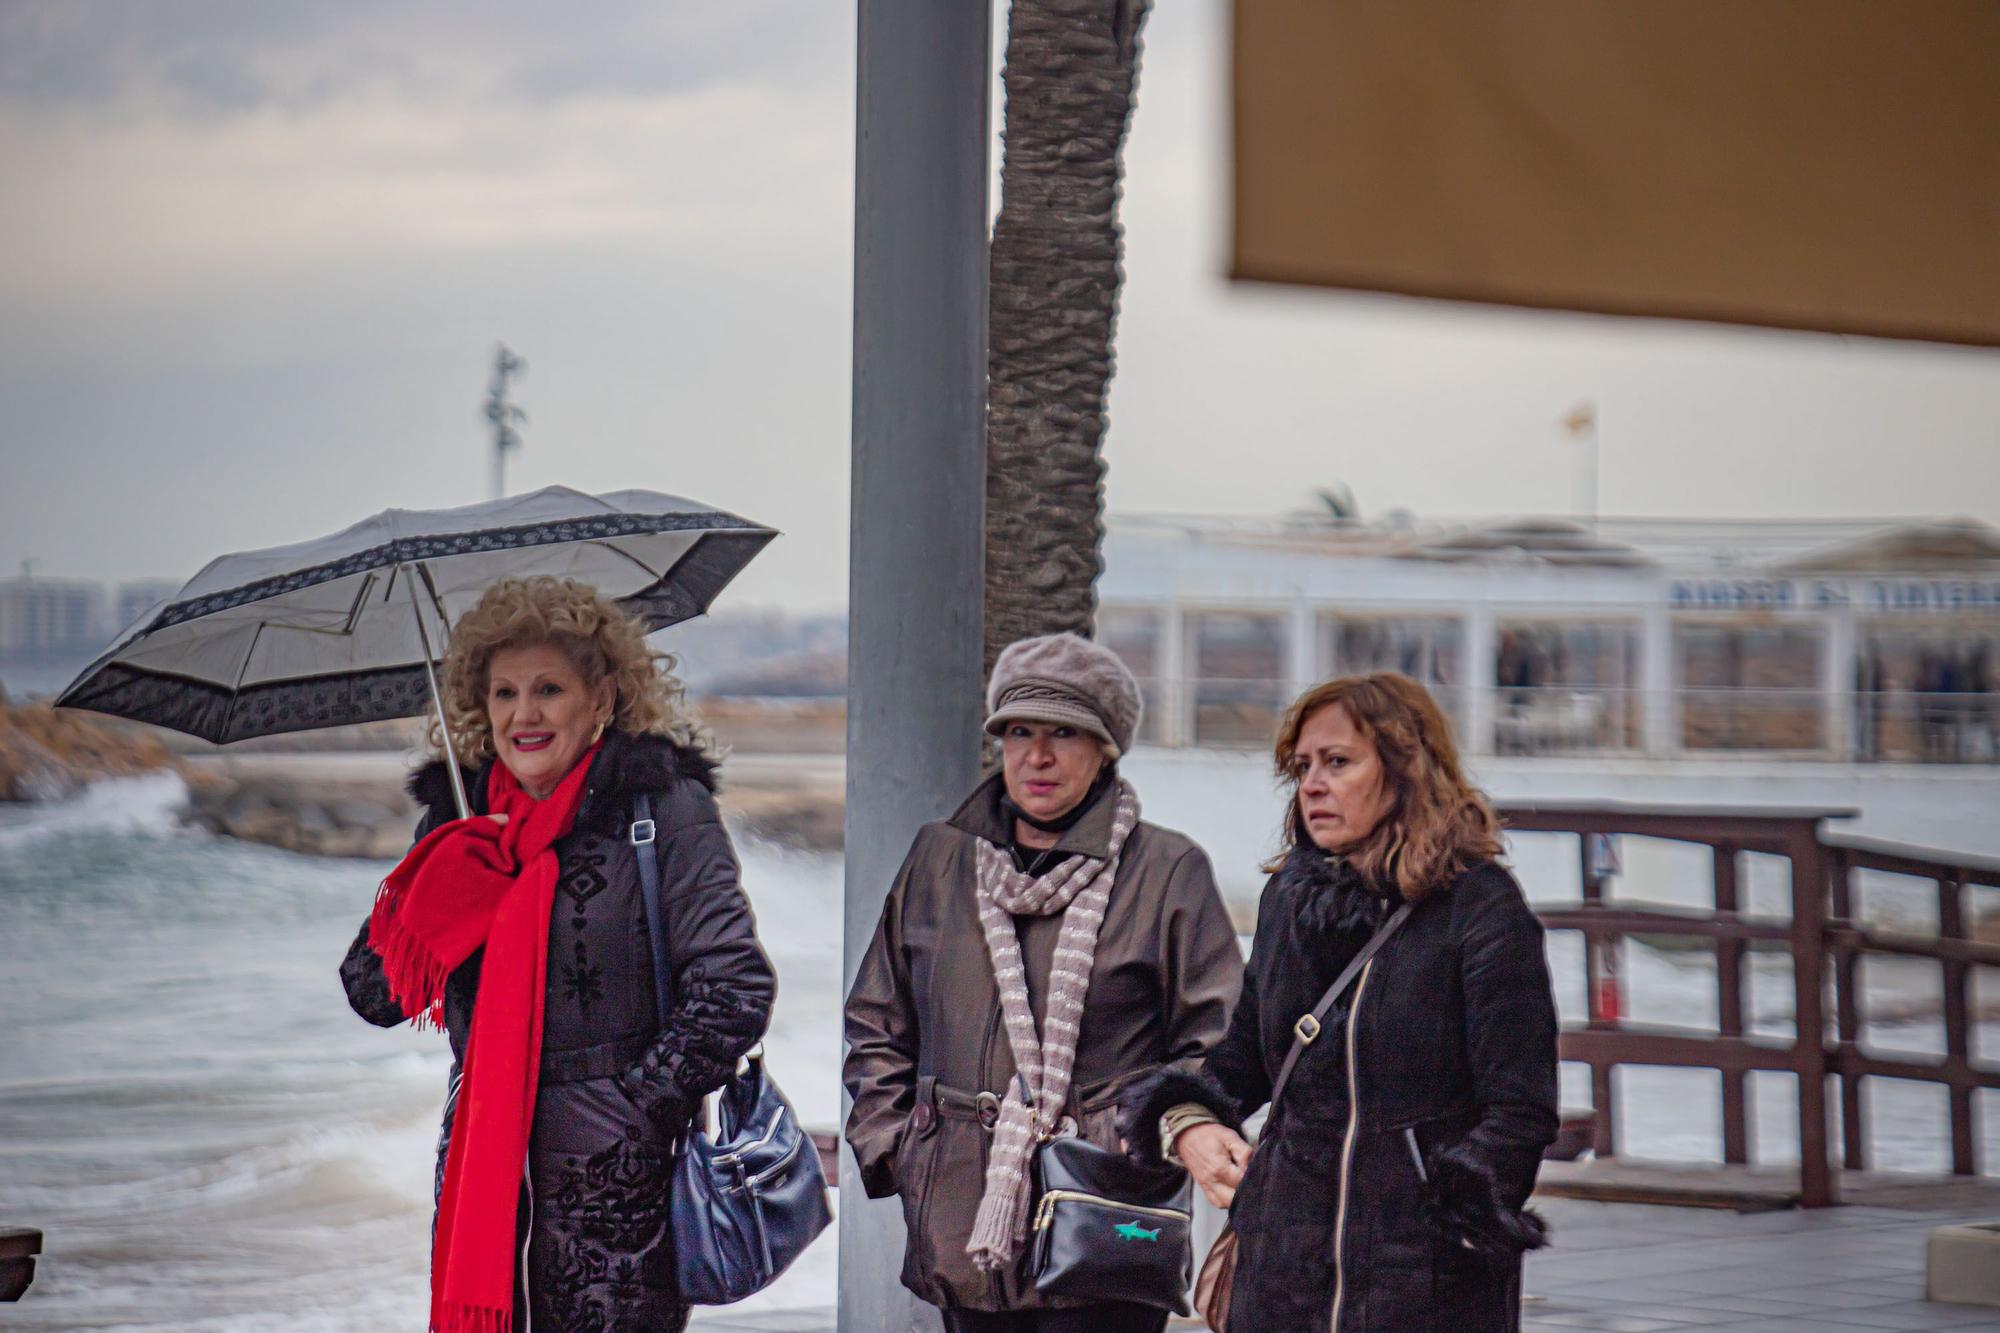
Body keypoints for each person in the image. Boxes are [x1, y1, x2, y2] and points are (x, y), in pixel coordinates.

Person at [340, 576, 775, 1333]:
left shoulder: (661, 806)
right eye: (503, 693)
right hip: (487, 1176)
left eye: (548, 688)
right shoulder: (463, 820)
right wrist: (450, 894)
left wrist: (637, 1113)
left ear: (602, 696)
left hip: (619, 1198)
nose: (523, 713)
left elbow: (733, 985)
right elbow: (378, 994)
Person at [1123, 671, 1559, 1332]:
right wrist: (1190, 1121)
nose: (1313, 784)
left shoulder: (1480, 908)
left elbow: (1520, 1109)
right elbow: (1241, 1060)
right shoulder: (1290, 901)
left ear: (1406, 769)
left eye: (1338, 762)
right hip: (1281, 1277)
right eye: (1302, 767)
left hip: (1421, 1286)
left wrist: (1448, 1220)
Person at [844, 632, 1244, 1333]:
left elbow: (1218, 1045)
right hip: (964, 1217)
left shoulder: (1167, 869)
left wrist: (1132, 1144)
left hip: (1102, 1217)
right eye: (1019, 731)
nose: (1038, 755)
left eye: (1065, 732)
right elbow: (878, 1019)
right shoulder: (939, 859)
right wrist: (903, 1150)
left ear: (1107, 748)